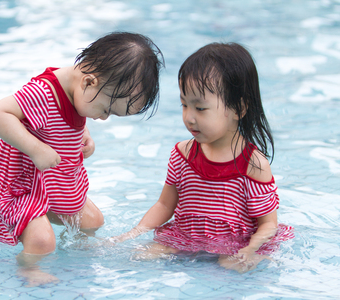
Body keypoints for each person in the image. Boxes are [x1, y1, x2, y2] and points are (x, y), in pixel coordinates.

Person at [0, 32, 163, 284]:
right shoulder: (43, 93)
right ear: (89, 82)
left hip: (53, 180)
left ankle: (46, 219)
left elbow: (66, 119)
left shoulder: (78, 92)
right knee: (43, 241)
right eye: (106, 110)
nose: (103, 117)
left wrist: (83, 135)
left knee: (92, 222)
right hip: (21, 183)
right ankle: (29, 270)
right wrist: (35, 148)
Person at [112, 42, 294, 273]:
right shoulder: (182, 153)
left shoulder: (252, 164)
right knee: (140, 256)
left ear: (238, 109)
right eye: (184, 104)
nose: (188, 117)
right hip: (186, 237)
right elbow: (165, 204)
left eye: (200, 108)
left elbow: (268, 224)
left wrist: (251, 250)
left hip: (233, 245)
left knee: (228, 267)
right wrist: (133, 233)